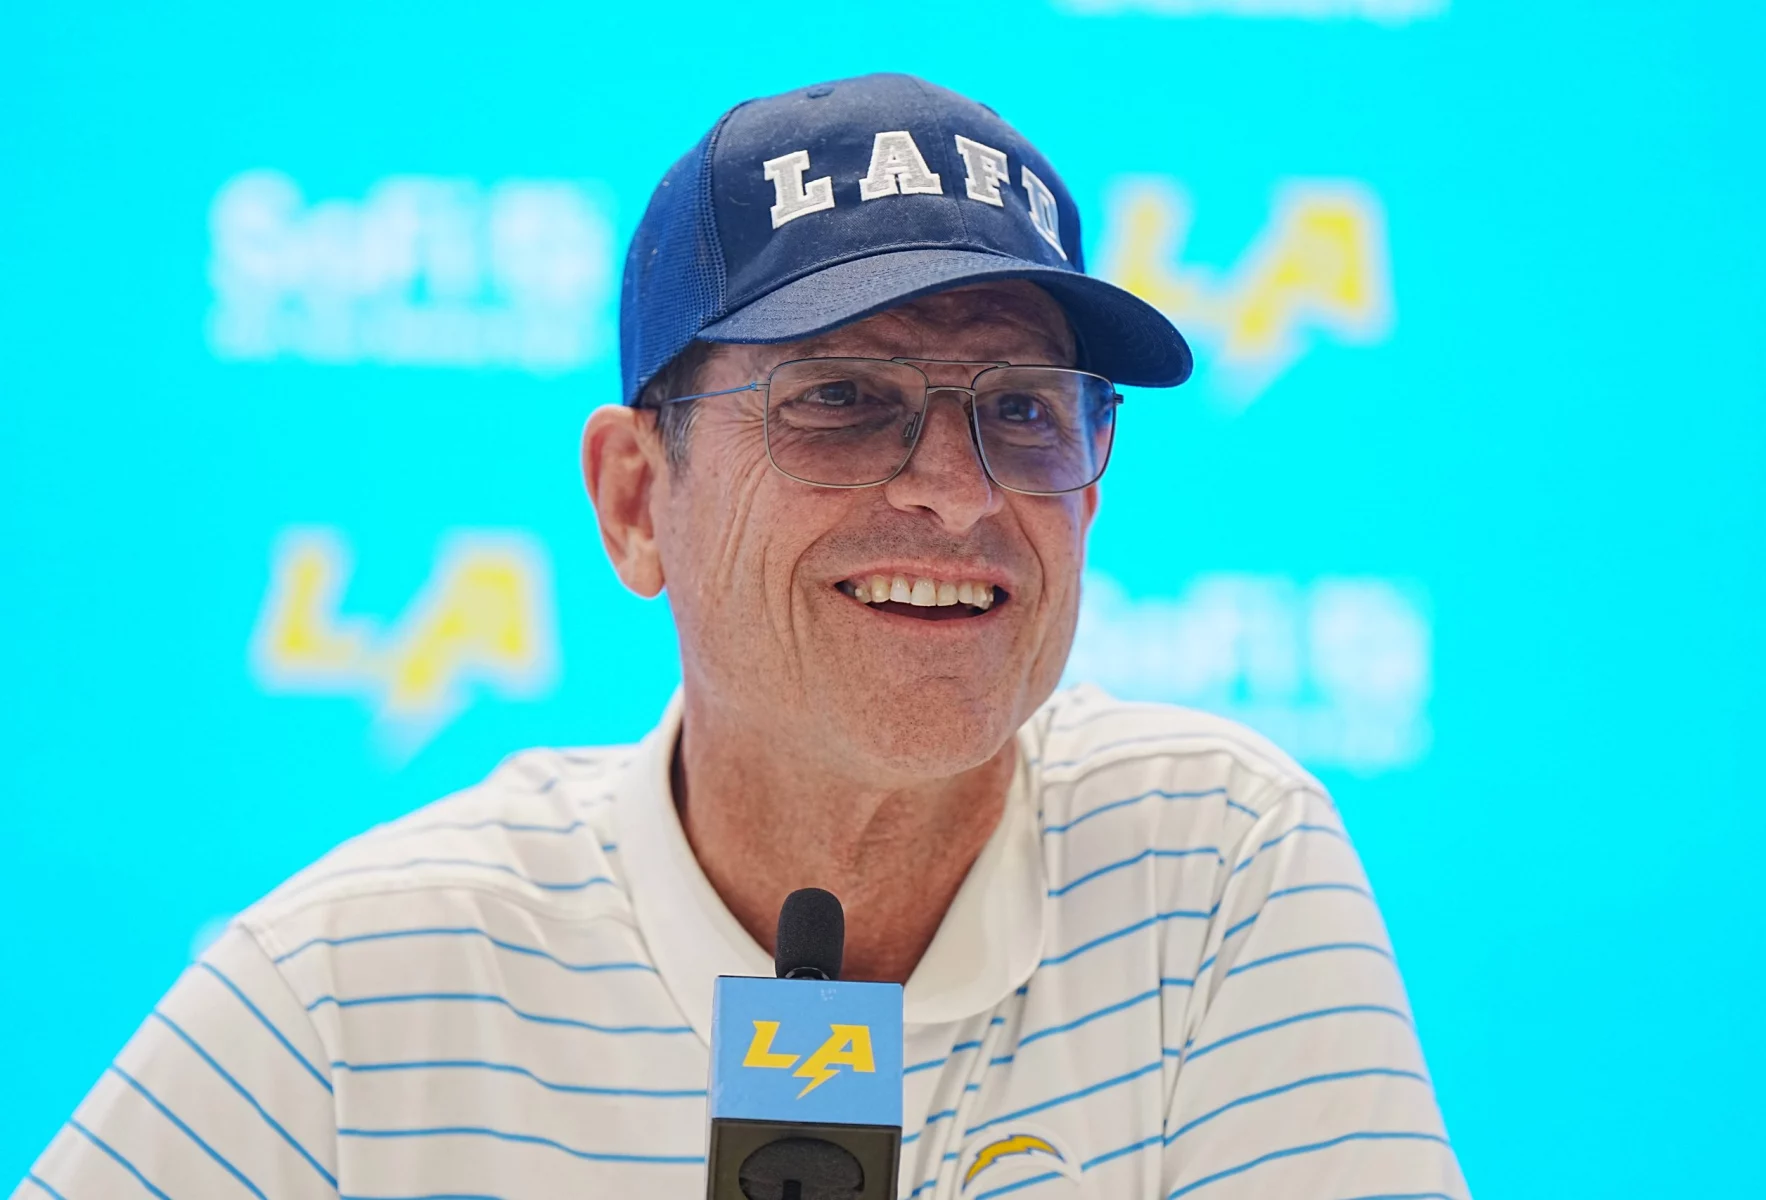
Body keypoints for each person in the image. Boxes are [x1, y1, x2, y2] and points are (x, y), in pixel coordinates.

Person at [16, 73, 1467, 1200]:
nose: (956, 497)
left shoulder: (1212, 859)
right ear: (636, 499)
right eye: (842, 399)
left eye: (1022, 410)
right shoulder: (354, 986)